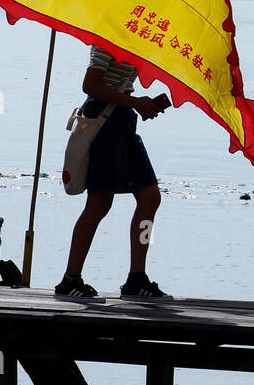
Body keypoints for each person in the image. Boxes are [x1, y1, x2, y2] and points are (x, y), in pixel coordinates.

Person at [54, 47, 171, 300]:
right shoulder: (108, 35)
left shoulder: (135, 35)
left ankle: (136, 278)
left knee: (150, 197)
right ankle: (70, 278)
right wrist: (136, 103)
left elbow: (117, 85)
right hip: (104, 123)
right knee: (99, 203)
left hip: (123, 119)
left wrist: (140, 104)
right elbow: (91, 85)